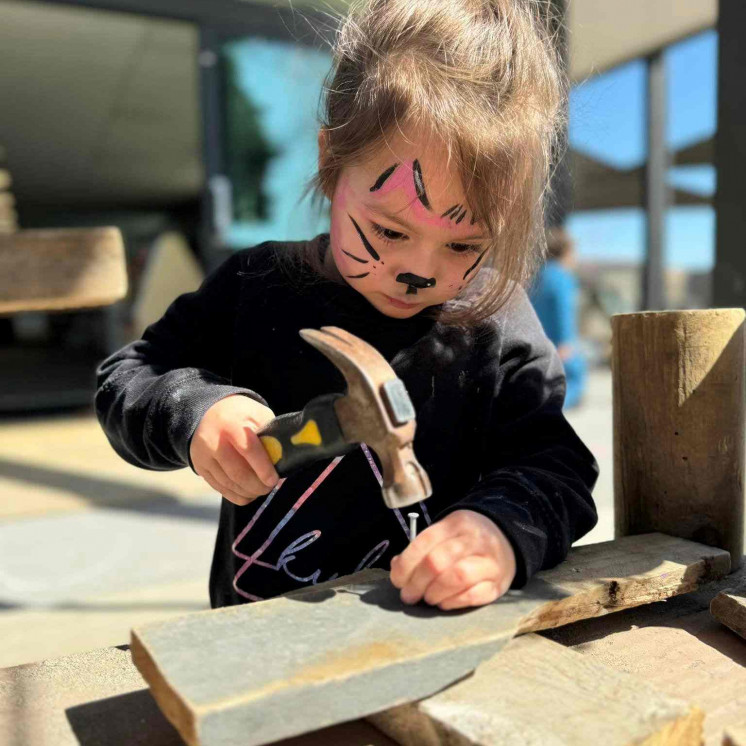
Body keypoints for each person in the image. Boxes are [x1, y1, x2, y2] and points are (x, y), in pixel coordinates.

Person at [95, 0, 598, 612]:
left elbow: (558, 467)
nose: (419, 269)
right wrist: (195, 413)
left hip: (426, 631)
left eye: (464, 243)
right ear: (332, 163)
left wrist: (499, 530)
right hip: (251, 633)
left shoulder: (497, 325)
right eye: (389, 231)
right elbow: (128, 376)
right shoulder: (257, 285)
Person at [530, 228, 587, 408]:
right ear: (566, 252)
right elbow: (564, 311)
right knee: (570, 388)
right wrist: (566, 344)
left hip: (537, 348)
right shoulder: (563, 278)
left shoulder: (536, 277)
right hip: (559, 349)